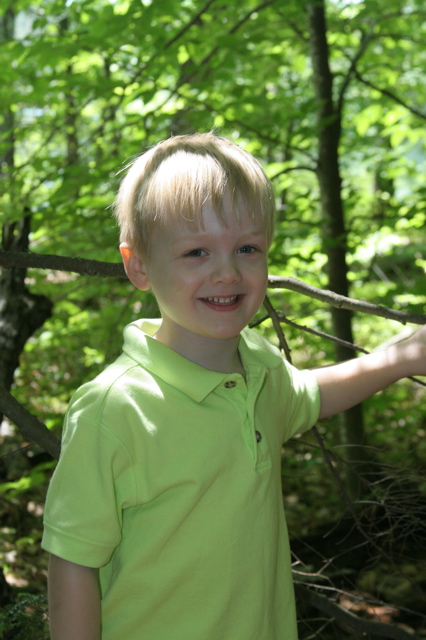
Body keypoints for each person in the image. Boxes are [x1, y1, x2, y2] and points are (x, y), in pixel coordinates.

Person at [42, 132, 426, 640]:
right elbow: (72, 561)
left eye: (247, 248)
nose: (227, 272)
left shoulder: (260, 367)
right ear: (138, 266)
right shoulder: (114, 409)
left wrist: (400, 357)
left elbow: (309, 396)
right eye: (197, 252)